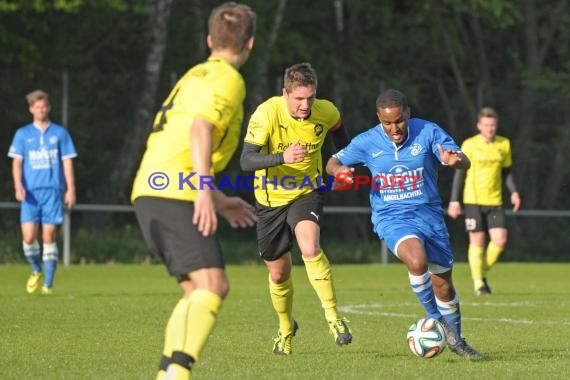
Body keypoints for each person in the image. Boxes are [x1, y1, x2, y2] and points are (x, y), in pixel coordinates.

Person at [130, 3, 257, 379]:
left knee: (195, 290)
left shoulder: (193, 75)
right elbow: (200, 129)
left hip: (150, 190)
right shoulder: (228, 78)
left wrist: (218, 199)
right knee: (214, 284)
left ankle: (168, 373)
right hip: (176, 191)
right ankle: (178, 374)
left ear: (209, 40)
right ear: (250, 42)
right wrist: (204, 191)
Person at [326, 89, 483, 360]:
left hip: (430, 217)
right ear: (379, 118)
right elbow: (333, 161)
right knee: (416, 260)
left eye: (398, 121)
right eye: (387, 123)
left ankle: (458, 340)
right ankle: (440, 323)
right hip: (392, 217)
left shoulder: (428, 132)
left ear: (407, 114)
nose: (394, 128)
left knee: (443, 284)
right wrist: (339, 171)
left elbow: (462, 159)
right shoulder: (367, 141)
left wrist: (456, 162)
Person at [240, 62, 352, 356]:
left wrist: (340, 165)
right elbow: (246, 161)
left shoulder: (325, 111)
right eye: (299, 98)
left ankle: (334, 317)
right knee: (278, 275)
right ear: (285, 94)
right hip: (269, 200)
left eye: (310, 98)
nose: (305, 105)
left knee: (310, 247)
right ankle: (286, 328)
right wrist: (282, 157)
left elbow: (340, 133)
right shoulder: (266, 113)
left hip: (307, 191)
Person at [8, 89, 77, 295]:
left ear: (49, 107)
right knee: (29, 237)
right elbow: (17, 162)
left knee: (48, 235)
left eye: (44, 106)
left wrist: (71, 188)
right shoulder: (23, 134)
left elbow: (67, 162)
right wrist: (18, 185)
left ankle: (48, 283)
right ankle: (36, 269)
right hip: (30, 193)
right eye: (37, 107)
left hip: (53, 191)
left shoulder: (60, 133)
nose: (41, 110)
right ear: (31, 109)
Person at [447, 107, 521, 296]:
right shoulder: (469, 145)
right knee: (478, 242)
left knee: (500, 240)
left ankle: (479, 271)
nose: (490, 128)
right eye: (486, 125)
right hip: (473, 200)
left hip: (495, 200)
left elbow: (507, 172)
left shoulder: (504, 144)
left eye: (493, 125)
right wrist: (454, 201)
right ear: (479, 126)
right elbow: (459, 173)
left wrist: (513, 192)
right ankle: (479, 283)